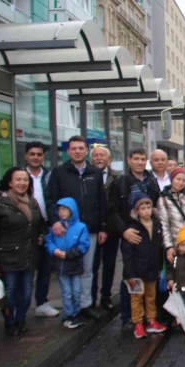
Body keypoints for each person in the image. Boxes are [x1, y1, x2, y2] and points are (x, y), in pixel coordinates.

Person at [45, 136, 107, 321]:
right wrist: (55, 221)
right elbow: (50, 199)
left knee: (88, 269)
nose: (78, 151)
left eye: (81, 148)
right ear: (68, 151)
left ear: (86, 151)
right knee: (67, 270)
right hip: (66, 230)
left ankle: (85, 305)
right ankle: (70, 308)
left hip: (90, 230)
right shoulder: (59, 172)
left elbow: (101, 202)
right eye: (74, 148)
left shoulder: (94, 172)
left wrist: (103, 227)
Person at [0, 168, 44, 335]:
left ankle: (21, 319)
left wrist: (42, 235)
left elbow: (40, 225)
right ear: (10, 182)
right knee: (9, 292)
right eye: (18, 180)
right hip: (7, 256)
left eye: (25, 180)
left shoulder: (32, 202)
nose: (22, 183)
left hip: (29, 256)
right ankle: (10, 322)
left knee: (26, 293)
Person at [108, 148, 161, 329]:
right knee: (131, 274)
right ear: (129, 160)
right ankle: (129, 317)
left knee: (151, 274)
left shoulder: (151, 181)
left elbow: (156, 207)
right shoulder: (120, 183)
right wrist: (123, 231)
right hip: (130, 232)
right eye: (136, 159)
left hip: (149, 232)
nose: (139, 162)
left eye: (142, 159)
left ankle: (150, 316)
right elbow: (112, 210)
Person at [121, 192, 168, 338]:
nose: (146, 210)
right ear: (137, 211)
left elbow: (159, 249)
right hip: (136, 270)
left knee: (150, 296)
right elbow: (127, 253)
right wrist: (129, 273)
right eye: (142, 208)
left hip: (152, 269)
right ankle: (138, 323)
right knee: (136, 298)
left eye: (148, 207)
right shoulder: (133, 228)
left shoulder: (157, 225)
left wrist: (160, 267)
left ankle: (151, 320)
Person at [24, 142, 58, 318]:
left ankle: (42, 303)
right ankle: (22, 306)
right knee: (26, 269)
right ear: (26, 156)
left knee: (45, 267)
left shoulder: (49, 175)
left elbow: (52, 198)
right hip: (26, 226)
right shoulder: (20, 175)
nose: (36, 157)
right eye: (32, 154)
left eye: (39, 154)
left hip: (46, 225)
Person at [45, 198, 90, 330]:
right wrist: (55, 251)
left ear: (72, 210)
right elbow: (49, 241)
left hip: (74, 264)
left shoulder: (80, 227)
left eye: (65, 209)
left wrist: (68, 254)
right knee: (67, 291)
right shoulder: (57, 227)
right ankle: (68, 315)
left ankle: (75, 313)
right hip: (61, 265)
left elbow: (84, 245)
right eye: (59, 209)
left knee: (76, 290)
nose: (61, 212)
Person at [91, 144, 120, 311]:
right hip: (93, 227)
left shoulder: (116, 177)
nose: (99, 158)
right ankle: (91, 297)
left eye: (102, 155)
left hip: (111, 227)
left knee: (109, 264)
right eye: (96, 155)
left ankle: (106, 296)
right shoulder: (86, 175)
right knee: (92, 265)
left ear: (109, 159)